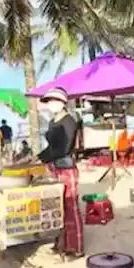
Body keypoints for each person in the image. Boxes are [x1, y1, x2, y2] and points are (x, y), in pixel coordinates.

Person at [36, 87, 83, 257]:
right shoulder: (52, 122)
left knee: (71, 207)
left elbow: (64, 148)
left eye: (54, 101)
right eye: (49, 101)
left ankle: (76, 247)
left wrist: (43, 159)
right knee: (56, 207)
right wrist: (37, 157)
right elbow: (51, 147)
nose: (51, 104)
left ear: (63, 102)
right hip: (54, 167)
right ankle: (60, 244)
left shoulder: (69, 121)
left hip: (67, 168)